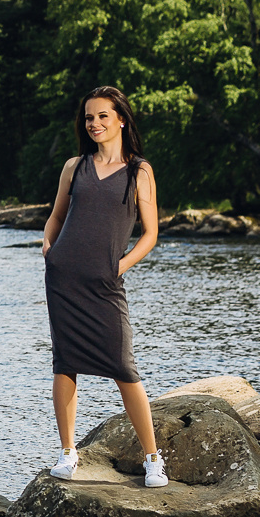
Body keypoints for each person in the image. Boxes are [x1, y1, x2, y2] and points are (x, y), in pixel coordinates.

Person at [39, 86, 166, 486]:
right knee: (65, 363)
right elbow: (56, 216)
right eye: (89, 118)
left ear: (121, 120)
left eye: (102, 116)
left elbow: (150, 234)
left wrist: (119, 266)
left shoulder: (139, 171)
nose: (94, 123)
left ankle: (153, 459)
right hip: (63, 279)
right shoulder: (74, 166)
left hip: (105, 283)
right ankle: (68, 453)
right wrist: (48, 247)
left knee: (124, 367)